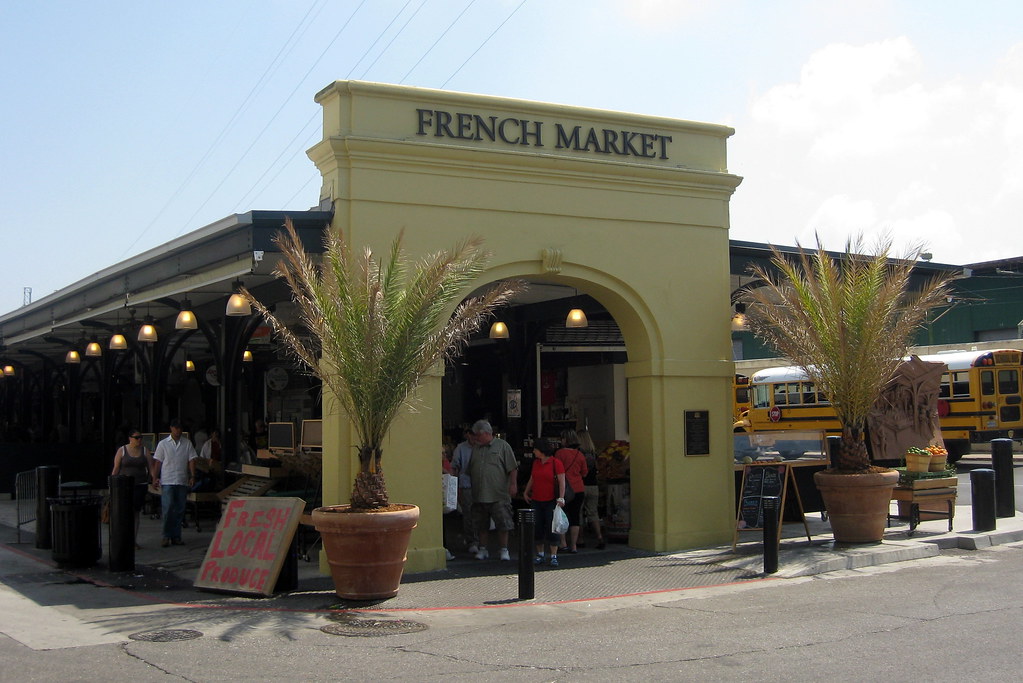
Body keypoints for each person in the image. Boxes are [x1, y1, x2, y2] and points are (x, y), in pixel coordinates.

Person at [467, 419, 517, 561]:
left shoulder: (502, 446)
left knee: (503, 523)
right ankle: (483, 549)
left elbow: (512, 468)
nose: (475, 438)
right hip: (479, 494)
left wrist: (513, 484)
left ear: (486, 433)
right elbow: (470, 469)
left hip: (498, 494)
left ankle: (504, 549)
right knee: (481, 524)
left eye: (478, 435)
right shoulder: (476, 449)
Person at [152, 418, 198, 547]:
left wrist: (192, 475)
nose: (178, 431)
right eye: (176, 428)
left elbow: (192, 460)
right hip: (168, 480)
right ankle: (166, 535)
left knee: (179, 509)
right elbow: (158, 462)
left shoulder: (187, 443)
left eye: (180, 428)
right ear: (171, 428)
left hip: (181, 480)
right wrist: (155, 477)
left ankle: (176, 535)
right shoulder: (163, 444)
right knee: (168, 508)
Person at [522, 438, 566, 567]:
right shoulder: (536, 463)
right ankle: (540, 554)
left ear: (541, 450)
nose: (534, 451)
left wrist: (561, 498)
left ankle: (553, 555)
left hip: (551, 500)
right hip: (536, 499)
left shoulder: (555, 463)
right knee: (537, 527)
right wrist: (526, 491)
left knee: (553, 527)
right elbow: (532, 478)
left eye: (535, 449)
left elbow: (562, 481)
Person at [110, 428, 155, 548]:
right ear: (130, 439)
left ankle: (133, 540)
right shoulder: (122, 450)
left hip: (140, 485)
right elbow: (116, 467)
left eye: (141, 437)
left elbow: (151, 467)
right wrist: (112, 483)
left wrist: (154, 479)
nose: (139, 440)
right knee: (125, 512)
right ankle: (124, 538)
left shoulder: (144, 451)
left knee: (135, 512)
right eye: (136, 437)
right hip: (125, 486)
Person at [555, 428, 589, 553]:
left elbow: (556, 470)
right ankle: (574, 545)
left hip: (564, 489)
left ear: (566, 440)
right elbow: (584, 473)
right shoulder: (579, 454)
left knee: (561, 516)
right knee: (575, 517)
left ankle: (563, 543)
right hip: (578, 488)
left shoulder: (559, 454)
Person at [449, 427, 479, 554]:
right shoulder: (461, 448)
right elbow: (454, 467)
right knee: (469, 514)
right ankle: (472, 540)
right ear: (467, 435)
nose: (473, 438)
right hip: (466, 485)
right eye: (471, 435)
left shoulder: (482, 447)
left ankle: (481, 542)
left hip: (482, 484)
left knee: (480, 513)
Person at [577, 429, 606, 549]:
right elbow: (598, 470)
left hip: (581, 485)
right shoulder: (594, 453)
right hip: (593, 486)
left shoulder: (578, 453)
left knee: (579, 513)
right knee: (593, 513)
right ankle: (600, 537)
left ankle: (580, 539)